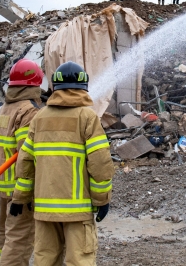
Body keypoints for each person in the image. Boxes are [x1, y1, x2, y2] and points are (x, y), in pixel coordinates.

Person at [10, 61, 114, 265]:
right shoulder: (87, 117)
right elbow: (100, 164)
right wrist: (102, 200)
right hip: (77, 211)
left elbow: (26, 162)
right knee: (79, 260)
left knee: (45, 259)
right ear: (84, 85)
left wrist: (19, 197)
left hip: (44, 210)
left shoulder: (40, 118)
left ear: (54, 87)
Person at [0, 59, 44, 266]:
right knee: (20, 236)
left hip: (4, 182)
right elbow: (28, 152)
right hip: (20, 184)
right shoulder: (29, 111)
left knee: (6, 229)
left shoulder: (6, 108)